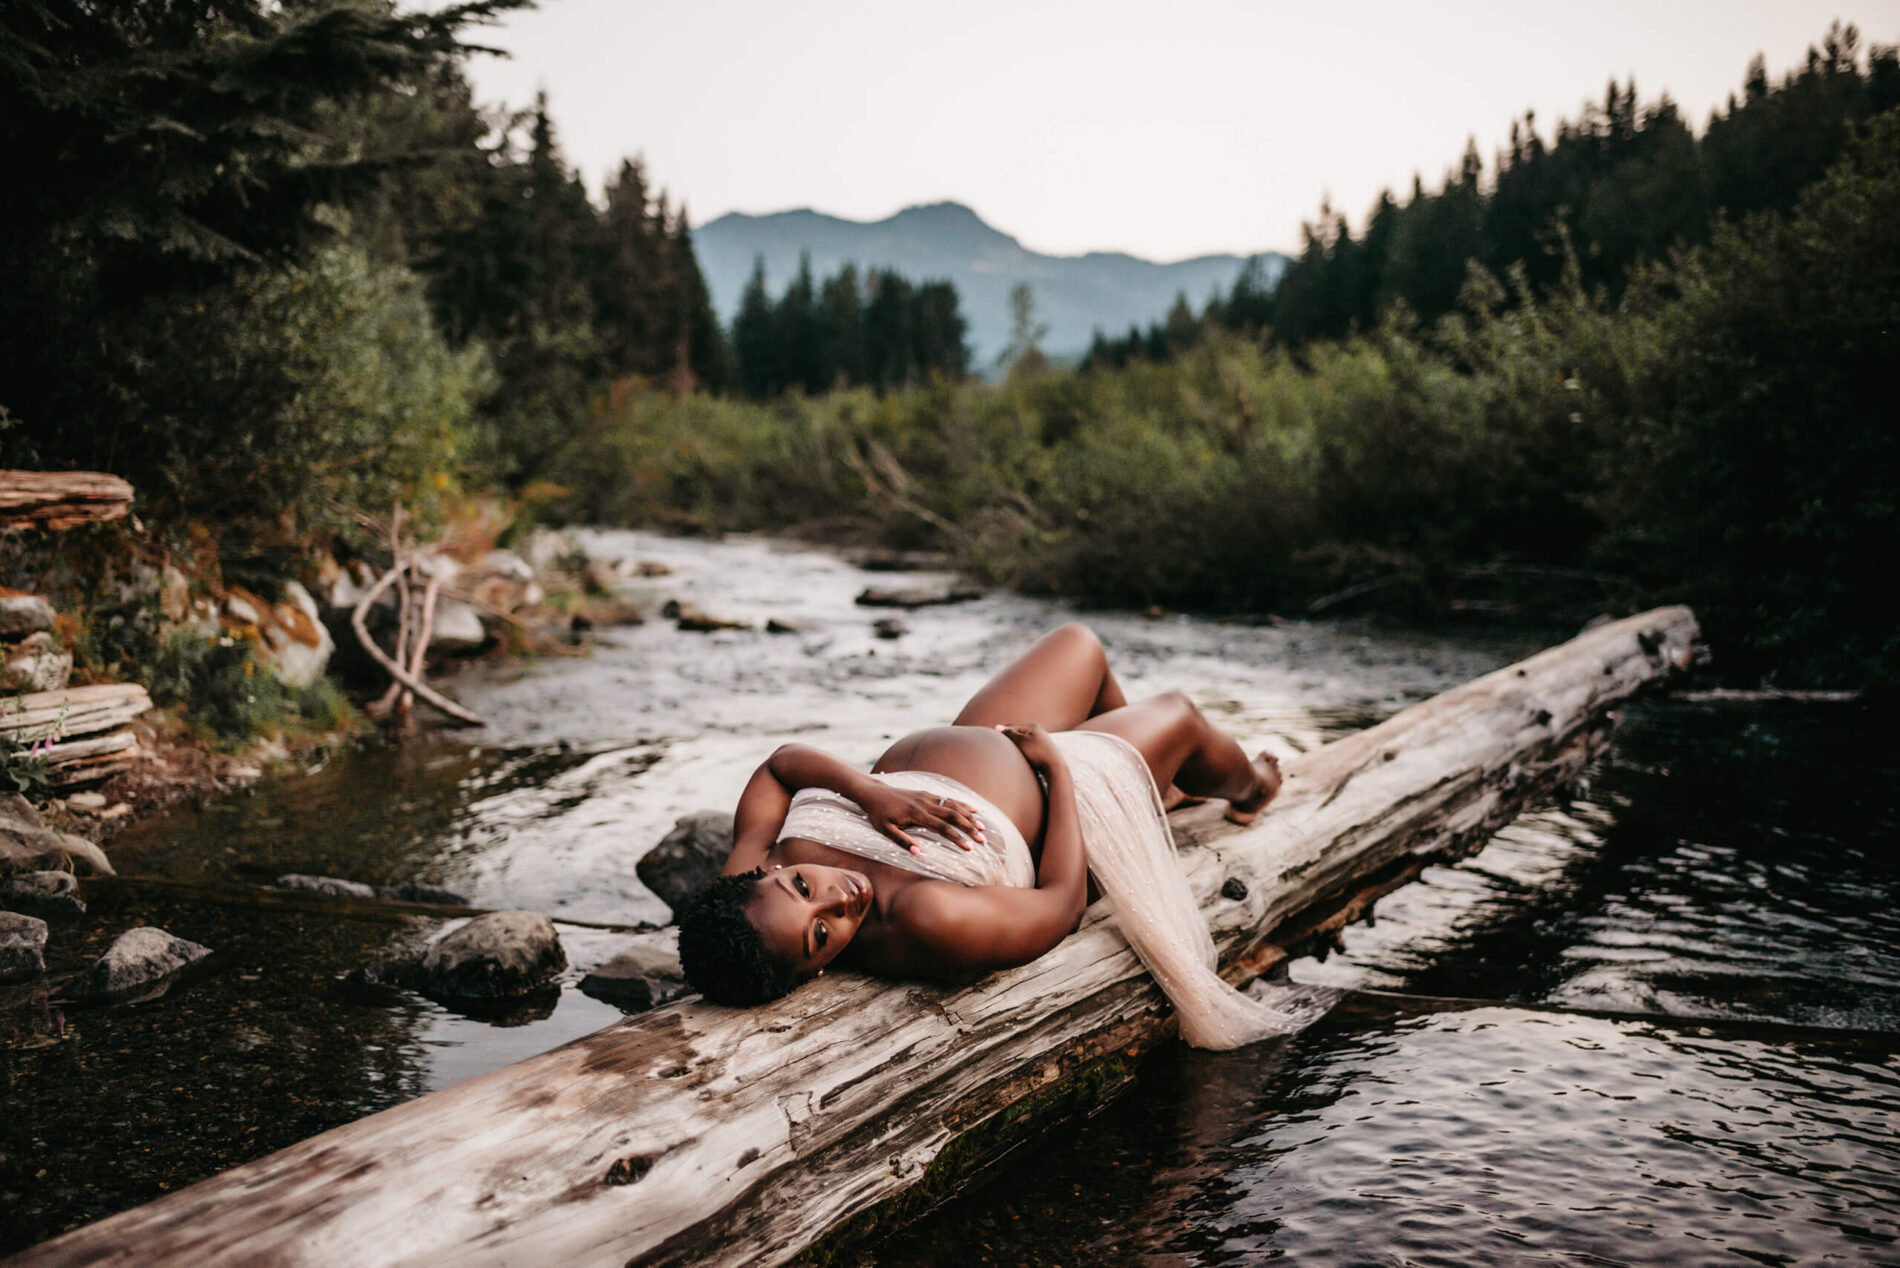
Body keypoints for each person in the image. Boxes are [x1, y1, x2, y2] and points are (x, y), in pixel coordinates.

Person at [677, 622, 1301, 1048]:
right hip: (1064, 788)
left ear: (761, 875)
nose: (840, 896)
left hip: (983, 739)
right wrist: (1056, 768)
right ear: (812, 974)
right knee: (1182, 715)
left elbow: (781, 763)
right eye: (823, 933)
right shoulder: (926, 919)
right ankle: (1248, 787)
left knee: (1079, 644)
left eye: (804, 885)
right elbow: (1062, 905)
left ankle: (1159, 787)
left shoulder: (747, 894)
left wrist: (870, 791)